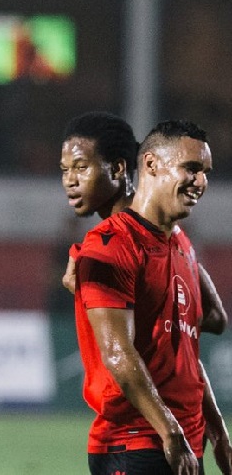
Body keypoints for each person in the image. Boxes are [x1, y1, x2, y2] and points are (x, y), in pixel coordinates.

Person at [72, 119, 232, 475]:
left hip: (183, 442)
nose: (201, 181)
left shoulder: (181, 243)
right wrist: (171, 433)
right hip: (137, 443)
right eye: (191, 168)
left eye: (205, 172)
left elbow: (192, 343)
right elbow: (118, 354)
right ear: (150, 165)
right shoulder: (110, 245)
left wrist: (217, 431)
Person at [59, 111, 227, 335]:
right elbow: (212, 316)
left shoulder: (124, 239)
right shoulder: (168, 229)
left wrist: (106, 294)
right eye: (65, 170)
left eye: (81, 168)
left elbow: (213, 317)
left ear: (118, 169)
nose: (70, 180)